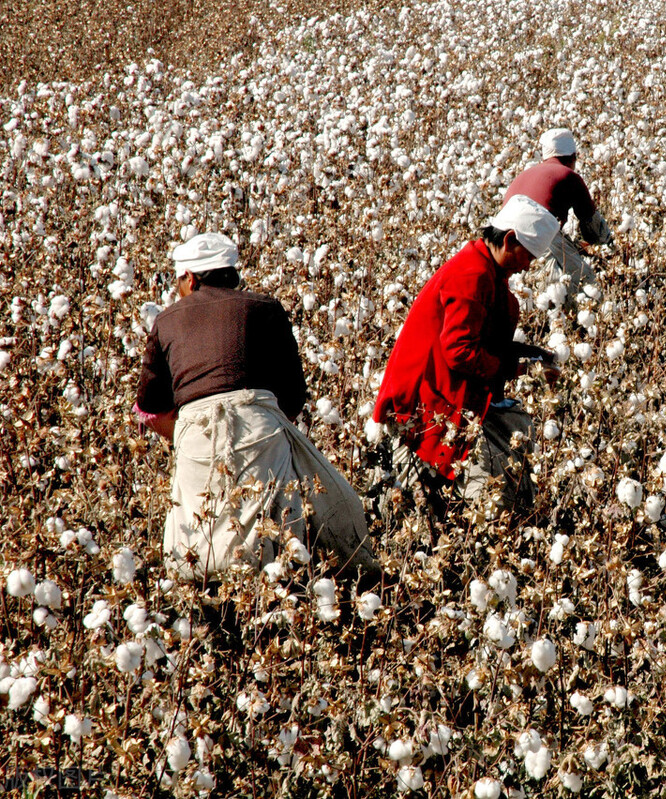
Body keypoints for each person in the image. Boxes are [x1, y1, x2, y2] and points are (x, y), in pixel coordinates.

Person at [136, 233, 377, 580]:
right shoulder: (264, 308)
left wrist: (188, 429)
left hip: (195, 438)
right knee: (284, 537)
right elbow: (293, 394)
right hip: (260, 429)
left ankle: (213, 616)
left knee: (198, 545)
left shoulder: (167, 321)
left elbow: (149, 403)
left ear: (190, 277)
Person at [372, 195, 560, 516]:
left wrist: (534, 359)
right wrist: (512, 369)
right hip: (423, 403)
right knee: (464, 502)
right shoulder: (471, 275)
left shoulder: (486, 272)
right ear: (510, 238)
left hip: (444, 397)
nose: (527, 265)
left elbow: (484, 343)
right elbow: (460, 351)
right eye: (528, 256)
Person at [505, 128, 614, 295]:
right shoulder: (569, 175)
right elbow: (594, 230)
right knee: (586, 287)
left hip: (504, 242)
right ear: (573, 158)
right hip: (538, 235)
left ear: (544, 157)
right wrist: (611, 250)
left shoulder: (524, 174)